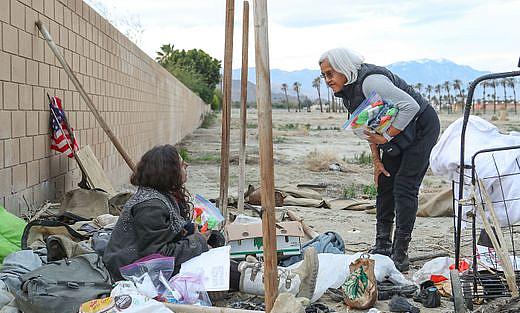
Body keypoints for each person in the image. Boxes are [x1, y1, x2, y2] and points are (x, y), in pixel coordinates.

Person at [103, 144, 319, 299]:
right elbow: (157, 256)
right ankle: (290, 287)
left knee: (219, 260)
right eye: (181, 163)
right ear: (168, 171)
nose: (186, 165)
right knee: (216, 268)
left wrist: (195, 234)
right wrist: (197, 240)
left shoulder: (161, 197)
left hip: (146, 265)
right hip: (135, 273)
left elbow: (168, 236)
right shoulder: (150, 206)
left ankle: (288, 280)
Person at [319, 48, 440, 272]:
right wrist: (377, 162)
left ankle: (400, 253)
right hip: (397, 131)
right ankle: (382, 245)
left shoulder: (371, 81)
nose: (327, 80)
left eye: (330, 73)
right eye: (324, 75)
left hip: (422, 126)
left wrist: (385, 136)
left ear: (344, 68)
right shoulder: (349, 93)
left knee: (404, 186)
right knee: (385, 183)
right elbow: (368, 126)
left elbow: (410, 107)